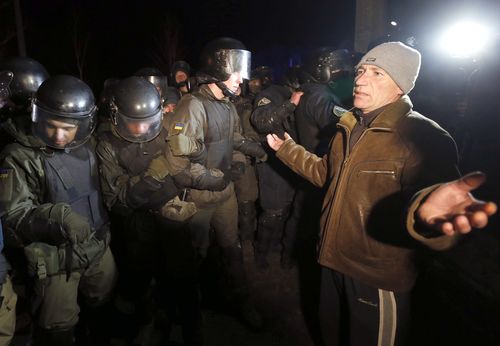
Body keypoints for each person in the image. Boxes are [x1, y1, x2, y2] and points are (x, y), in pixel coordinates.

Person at [266, 41, 463, 345]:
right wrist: (287, 150)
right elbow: (325, 175)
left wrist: (431, 215)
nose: (360, 79)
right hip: (331, 261)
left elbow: (444, 224)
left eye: (376, 73)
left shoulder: (425, 137)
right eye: (360, 71)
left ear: (401, 85)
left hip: (375, 278)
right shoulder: (349, 126)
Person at [96, 76, 227, 345]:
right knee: (136, 283)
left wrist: (197, 151)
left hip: (173, 217)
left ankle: (192, 327)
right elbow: (117, 202)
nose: (142, 129)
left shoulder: (167, 127)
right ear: (117, 116)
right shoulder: (108, 145)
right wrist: (151, 178)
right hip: (138, 226)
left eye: (148, 122)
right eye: (134, 122)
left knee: (185, 278)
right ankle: (136, 328)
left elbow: (192, 162)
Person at [0, 75, 117, 345]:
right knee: (57, 328)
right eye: (51, 126)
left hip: (96, 245)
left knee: (102, 309)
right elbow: (14, 214)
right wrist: (56, 216)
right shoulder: (19, 156)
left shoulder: (87, 145)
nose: (59, 135)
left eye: (68, 128)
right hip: (54, 259)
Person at [165, 37, 266, 329]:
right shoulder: (192, 106)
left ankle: (241, 301)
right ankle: (189, 315)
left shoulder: (227, 105)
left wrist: (255, 152)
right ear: (217, 71)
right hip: (198, 200)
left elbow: (233, 140)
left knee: (232, 251)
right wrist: (218, 179)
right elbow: (178, 165)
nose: (241, 79)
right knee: (193, 258)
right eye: (236, 72)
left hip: (225, 197)